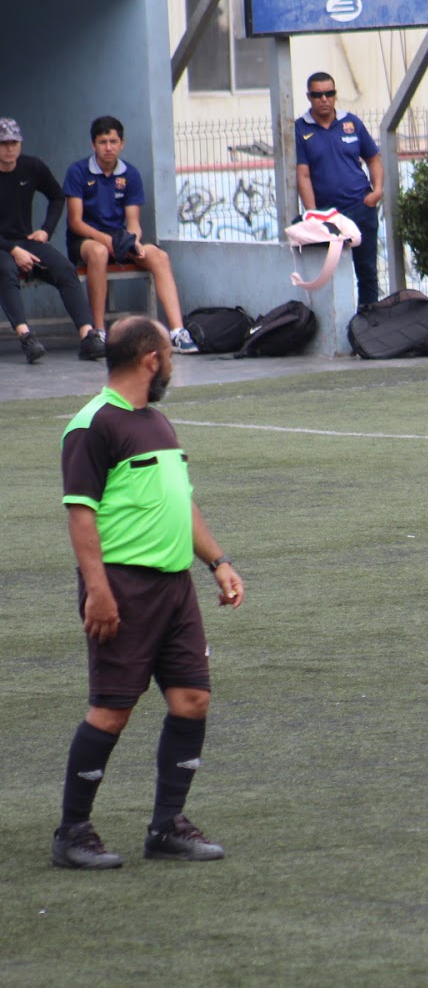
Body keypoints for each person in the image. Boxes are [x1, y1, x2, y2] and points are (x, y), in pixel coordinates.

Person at [52, 315, 245, 870]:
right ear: (152, 360)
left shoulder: (157, 423)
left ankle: (166, 827)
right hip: (123, 587)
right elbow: (81, 515)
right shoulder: (93, 426)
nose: (171, 367)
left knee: (192, 700)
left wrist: (218, 562)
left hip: (175, 588)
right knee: (111, 710)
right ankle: (72, 832)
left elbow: (179, 500)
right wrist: (98, 591)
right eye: (170, 356)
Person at [63, 116, 199, 353]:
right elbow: (75, 222)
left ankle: (177, 332)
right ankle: (99, 331)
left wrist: (133, 240)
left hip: (119, 239)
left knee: (158, 256)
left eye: (113, 141)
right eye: (103, 142)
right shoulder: (78, 172)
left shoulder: (130, 174)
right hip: (86, 240)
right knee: (99, 252)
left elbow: (134, 222)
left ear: (122, 143)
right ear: (93, 144)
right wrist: (105, 240)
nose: (108, 147)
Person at [0, 117, 103, 363]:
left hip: (27, 241)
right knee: (5, 270)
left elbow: (57, 196)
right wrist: (13, 250)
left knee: (65, 269)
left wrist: (46, 230)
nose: (10, 149)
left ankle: (88, 336)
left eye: (14, 143)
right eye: (4, 144)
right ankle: (26, 337)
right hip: (3, 246)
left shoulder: (32, 167)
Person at [295, 72, 384, 306]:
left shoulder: (352, 123)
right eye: (317, 95)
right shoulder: (300, 129)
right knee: (330, 274)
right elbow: (303, 175)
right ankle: (336, 324)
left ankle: (369, 321)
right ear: (309, 97)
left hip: (361, 207)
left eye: (329, 93)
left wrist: (377, 192)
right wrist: (313, 215)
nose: (324, 99)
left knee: (367, 272)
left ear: (335, 95)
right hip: (328, 216)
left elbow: (373, 158)